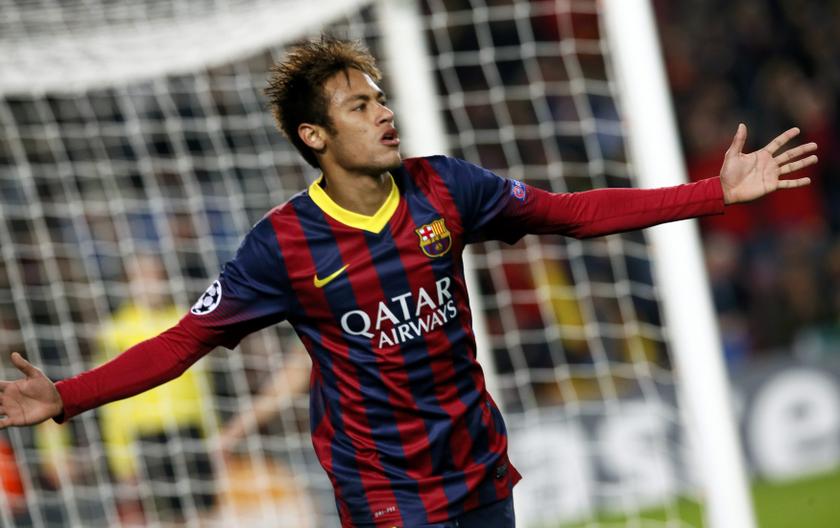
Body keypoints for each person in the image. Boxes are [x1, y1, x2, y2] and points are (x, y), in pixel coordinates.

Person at [0, 36, 818, 527]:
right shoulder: (281, 246)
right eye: (360, 107)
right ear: (314, 135)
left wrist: (714, 192)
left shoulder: (445, 187)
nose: (384, 113)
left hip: (478, 464)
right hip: (388, 490)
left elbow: (573, 212)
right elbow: (186, 342)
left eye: (381, 99)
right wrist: (67, 396)